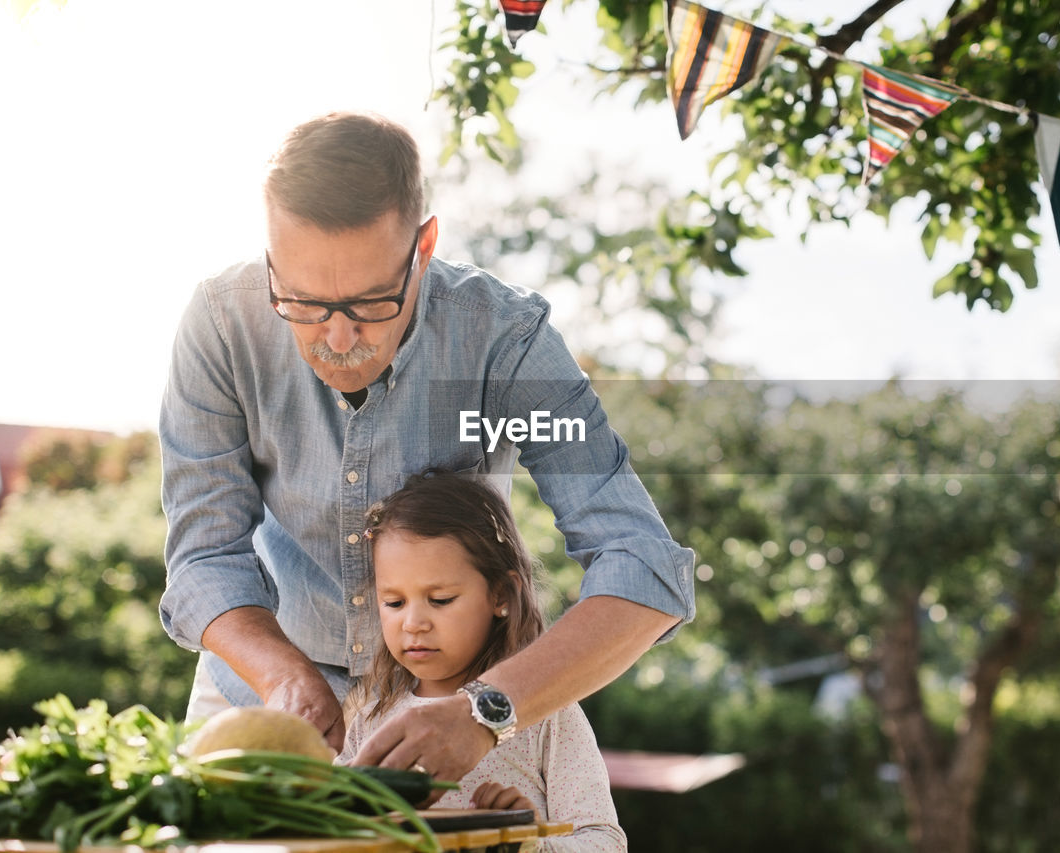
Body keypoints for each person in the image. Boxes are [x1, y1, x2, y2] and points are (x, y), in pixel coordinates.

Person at [158, 111, 696, 788]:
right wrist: (282, 674)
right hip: (259, 702)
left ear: (424, 246)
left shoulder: (507, 341)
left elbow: (644, 569)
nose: (339, 337)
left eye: (371, 301)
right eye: (302, 302)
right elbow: (204, 556)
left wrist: (483, 710)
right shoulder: (219, 327)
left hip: (460, 721)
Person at [336, 471, 625, 851]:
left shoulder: (545, 713)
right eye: (393, 603)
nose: (413, 623)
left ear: (501, 594)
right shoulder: (371, 720)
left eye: (440, 600)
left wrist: (528, 846)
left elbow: (604, 841)